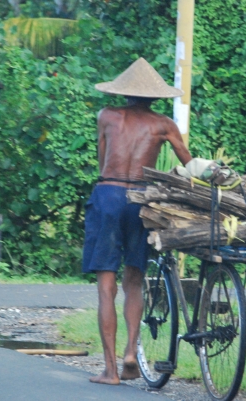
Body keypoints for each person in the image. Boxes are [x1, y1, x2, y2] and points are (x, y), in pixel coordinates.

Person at [82, 57, 192, 385]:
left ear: (123, 92)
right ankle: (131, 351)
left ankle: (111, 371)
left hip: (109, 194)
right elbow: (188, 164)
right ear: (155, 96)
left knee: (106, 287)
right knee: (134, 280)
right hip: (141, 201)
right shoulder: (164, 124)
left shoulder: (107, 116)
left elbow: (103, 161)